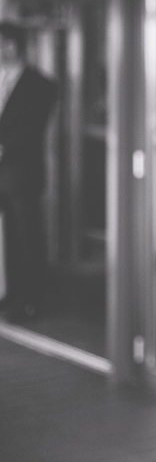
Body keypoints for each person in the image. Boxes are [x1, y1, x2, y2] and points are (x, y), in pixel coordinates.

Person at [0, 22, 58, 322]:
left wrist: (3, 147)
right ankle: (8, 294)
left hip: (22, 173)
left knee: (27, 237)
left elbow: (34, 128)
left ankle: (31, 299)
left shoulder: (41, 85)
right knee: (4, 238)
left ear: (12, 45)